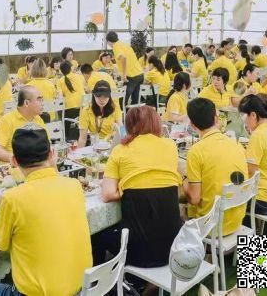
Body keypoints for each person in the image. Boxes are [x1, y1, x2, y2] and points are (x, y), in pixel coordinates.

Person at [0, 127, 92, 296]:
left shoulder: (13, 199)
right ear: (51, 154)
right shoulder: (74, 186)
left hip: (36, 293)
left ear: (14, 161)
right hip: (82, 289)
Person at [101, 106, 182, 267]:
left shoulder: (120, 150)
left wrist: (127, 188)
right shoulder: (171, 145)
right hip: (174, 248)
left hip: (137, 252)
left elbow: (108, 194)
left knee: (99, 235)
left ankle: (105, 279)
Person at [184, 98, 248, 235]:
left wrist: (183, 181)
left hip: (210, 226)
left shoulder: (196, 151)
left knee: (179, 205)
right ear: (216, 118)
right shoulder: (237, 145)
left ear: (192, 125)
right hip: (236, 220)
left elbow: (194, 199)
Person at [238, 94, 267, 216]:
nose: (245, 121)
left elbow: (250, 171)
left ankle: (246, 226)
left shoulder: (258, 135)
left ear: (253, 115)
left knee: (225, 197)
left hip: (262, 200)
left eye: (245, 116)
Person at [0, 86, 47, 163]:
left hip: (35, 166)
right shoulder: (6, 120)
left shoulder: (38, 119)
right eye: (39, 100)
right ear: (26, 103)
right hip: (14, 167)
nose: (42, 103)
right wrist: (19, 160)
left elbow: (46, 144)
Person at [78, 81, 123, 147]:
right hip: (95, 145)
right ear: (94, 95)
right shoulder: (86, 111)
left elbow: (122, 130)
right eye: (99, 96)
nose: (102, 100)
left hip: (112, 144)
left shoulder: (115, 108)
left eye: (105, 97)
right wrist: (79, 153)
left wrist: (119, 129)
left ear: (109, 96)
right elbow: (82, 138)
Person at [106, 31, 143, 106]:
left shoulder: (116, 46)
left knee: (122, 102)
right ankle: (133, 113)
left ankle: (122, 113)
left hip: (131, 76)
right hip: (140, 74)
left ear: (109, 42)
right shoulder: (125, 44)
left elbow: (123, 58)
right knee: (135, 102)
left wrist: (124, 74)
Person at [58, 61, 85, 141]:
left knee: (61, 112)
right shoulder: (80, 77)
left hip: (69, 109)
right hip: (82, 108)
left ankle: (65, 136)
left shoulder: (60, 81)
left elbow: (60, 98)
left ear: (61, 71)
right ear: (70, 68)